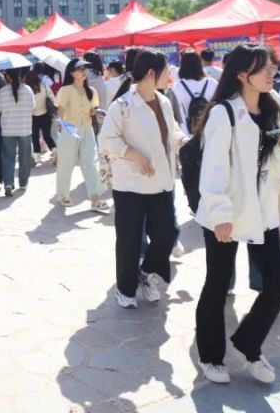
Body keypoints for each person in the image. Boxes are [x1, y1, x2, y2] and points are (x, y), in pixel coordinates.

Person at [194, 43, 280, 385]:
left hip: (262, 211)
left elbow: (279, 168)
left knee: (279, 283)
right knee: (217, 284)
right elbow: (214, 168)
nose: (272, 73)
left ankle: (248, 343)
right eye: (264, 68)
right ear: (242, 75)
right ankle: (211, 357)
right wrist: (221, 213)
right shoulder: (224, 112)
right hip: (225, 211)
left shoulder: (274, 108)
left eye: (272, 67)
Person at [100, 50, 182, 309]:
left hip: (162, 183)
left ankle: (146, 273)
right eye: (166, 71)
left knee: (167, 234)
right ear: (151, 73)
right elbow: (107, 140)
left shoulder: (164, 101)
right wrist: (135, 155)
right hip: (131, 186)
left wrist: (184, 141)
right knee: (129, 241)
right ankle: (125, 290)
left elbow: (172, 133)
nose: (169, 76)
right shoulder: (122, 106)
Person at [54, 58, 108, 209]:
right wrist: (62, 126)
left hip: (87, 129)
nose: (84, 71)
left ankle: (95, 199)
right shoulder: (65, 90)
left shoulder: (92, 92)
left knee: (90, 164)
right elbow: (61, 111)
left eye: (85, 68)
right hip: (70, 128)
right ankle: (63, 195)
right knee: (66, 164)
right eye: (80, 69)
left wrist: (97, 113)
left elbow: (92, 110)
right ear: (72, 73)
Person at [0, 68, 35, 196]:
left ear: (7, 76)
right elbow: (33, 107)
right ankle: (23, 182)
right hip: (25, 129)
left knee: (8, 157)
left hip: (7, 130)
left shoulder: (2, 91)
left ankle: (8, 183)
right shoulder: (28, 90)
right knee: (25, 157)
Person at [172, 51, 218, 135]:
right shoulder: (212, 83)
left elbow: (179, 115)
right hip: (212, 130)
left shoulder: (178, 86)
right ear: (199, 64)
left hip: (189, 133)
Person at [26, 68, 56, 163]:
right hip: (46, 115)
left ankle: (37, 156)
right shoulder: (45, 87)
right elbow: (53, 99)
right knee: (47, 136)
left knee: (35, 137)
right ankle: (55, 151)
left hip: (33, 116)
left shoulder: (28, 90)